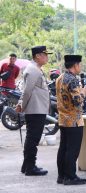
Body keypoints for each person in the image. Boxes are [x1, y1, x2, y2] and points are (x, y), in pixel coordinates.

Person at [16, 46, 52, 176]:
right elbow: (27, 91)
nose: (47, 57)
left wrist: (21, 104)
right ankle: (30, 167)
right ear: (38, 56)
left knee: (32, 138)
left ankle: (26, 166)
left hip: (37, 109)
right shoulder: (33, 70)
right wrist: (22, 105)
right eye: (45, 54)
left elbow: (27, 90)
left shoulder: (35, 69)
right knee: (33, 139)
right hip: (35, 109)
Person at [56, 55, 86, 185]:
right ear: (75, 65)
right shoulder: (73, 80)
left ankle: (62, 176)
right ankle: (70, 177)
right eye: (79, 64)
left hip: (63, 118)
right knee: (72, 150)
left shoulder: (60, 78)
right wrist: (84, 92)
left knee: (63, 148)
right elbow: (77, 100)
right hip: (74, 120)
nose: (80, 67)